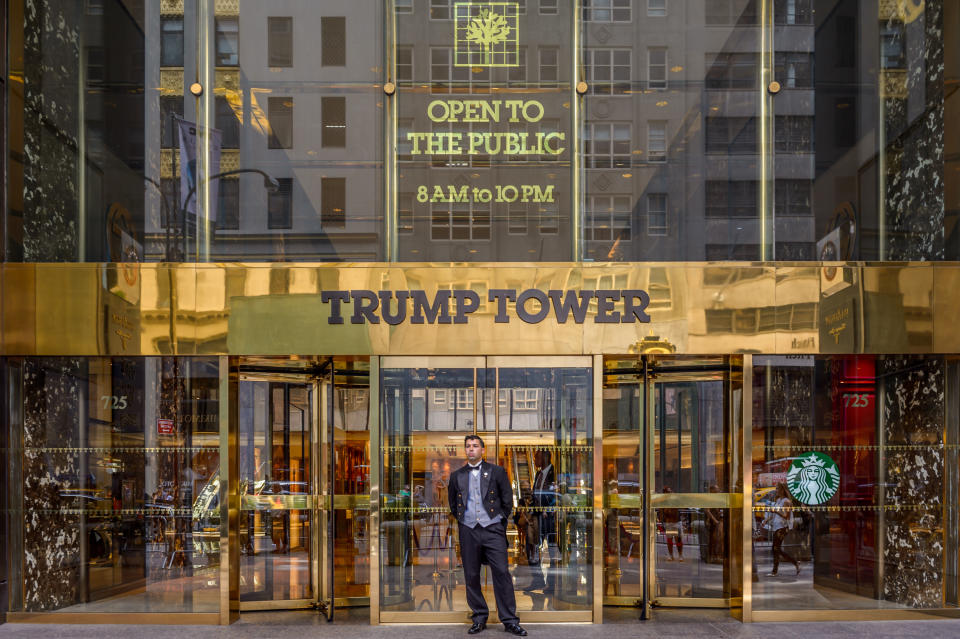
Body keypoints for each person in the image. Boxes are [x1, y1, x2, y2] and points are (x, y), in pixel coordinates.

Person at [448, 434, 527, 636]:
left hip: (492, 529)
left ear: (483, 450)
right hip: (468, 529)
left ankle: (509, 620)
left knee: (501, 573)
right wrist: (464, 521)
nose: (471, 449)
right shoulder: (457, 475)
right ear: (465, 450)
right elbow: (452, 503)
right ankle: (479, 617)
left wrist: (498, 521)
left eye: (475, 446)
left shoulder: (497, 472)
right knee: (471, 575)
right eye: (468, 446)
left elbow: (507, 500)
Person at [528, 449, 556, 592]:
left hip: (549, 518)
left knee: (552, 550)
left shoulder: (554, 474)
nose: (534, 460)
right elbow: (536, 494)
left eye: (537, 457)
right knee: (532, 548)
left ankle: (552, 585)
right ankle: (537, 580)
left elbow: (556, 495)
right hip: (537, 516)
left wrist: (548, 509)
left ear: (545, 457)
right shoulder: (538, 474)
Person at [764, 482, 799, 577]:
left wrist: (776, 511)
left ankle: (775, 571)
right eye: (776, 488)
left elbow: (786, 516)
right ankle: (794, 563)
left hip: (782, 528)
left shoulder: (786, 502)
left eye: (778, 488)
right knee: (776, 549)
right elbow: (774, 513)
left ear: (783, 490)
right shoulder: (779, 500)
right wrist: (766, 520)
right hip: (777, 527)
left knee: (775, 548)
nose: (776, 490)